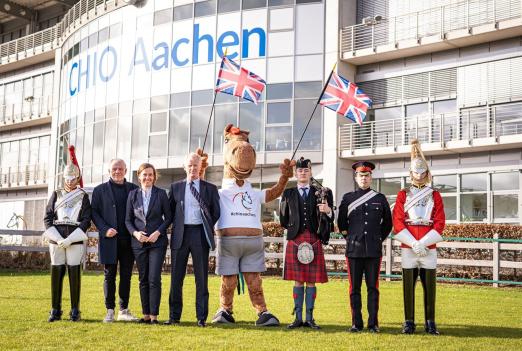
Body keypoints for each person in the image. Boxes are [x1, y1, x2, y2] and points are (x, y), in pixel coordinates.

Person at [392, 140, 445, 335]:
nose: (420, 176)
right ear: (411, 174)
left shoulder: (435, 195)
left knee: (430, 286)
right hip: (409, 247)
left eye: (423, 173)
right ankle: (409, 321)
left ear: (427, 173)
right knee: (408, 287)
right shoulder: (402, 194)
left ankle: (430, 322)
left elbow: (440, 222)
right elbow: (398, 222)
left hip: (428, 247)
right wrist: (414, 243)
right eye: (417, 172)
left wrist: (423, 243)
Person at [165, 152, 220, 327]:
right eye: (189, 165)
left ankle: (201, 317)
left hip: (200, 234)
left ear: (200, 167)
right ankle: (174, 317)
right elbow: (169, 212)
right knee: (176, 278)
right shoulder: (175, 188)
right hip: (180, 234)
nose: (192, 168)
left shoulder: (210, 188)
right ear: (184, 167)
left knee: (201, 278)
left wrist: (207, 223)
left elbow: (216, 211)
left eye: (195, 165)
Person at [337, 161, 392, 333]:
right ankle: (356, 323)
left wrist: (377, 239)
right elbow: (341, 223)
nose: (364, 178)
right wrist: (351, 238)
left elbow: (387, 224)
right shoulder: (347, 198)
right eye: (361, 175)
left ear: (371, 177)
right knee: (354, 289)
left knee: (373, 288)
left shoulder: (380, 198)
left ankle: (373, 323)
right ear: (356, 177)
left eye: (367, 175)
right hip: (354, 250)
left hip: (373, 251)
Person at [279, 157, 334, 330]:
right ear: (295, 173)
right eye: (300, 171)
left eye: (306, 170)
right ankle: (297, 318)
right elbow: (283, 219)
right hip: (296, 238)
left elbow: (329, 218)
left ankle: (310, 318)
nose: (303, 173)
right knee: (298, 281)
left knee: (311, 281)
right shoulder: (288, 193)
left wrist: (329, 211)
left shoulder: (322, 192)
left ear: (311, 172)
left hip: (314, 238)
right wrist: (294, 227)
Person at [43, 145, 91, 322]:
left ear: (77, 178)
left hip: (75, 239)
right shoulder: (56, 194)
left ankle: (75, 310)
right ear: (64, 178)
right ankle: (55, 309)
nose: (70, 181)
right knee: (56, 272)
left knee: (74, 272)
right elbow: (48, 217)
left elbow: (86, 219)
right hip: (56, 240)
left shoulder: (83, 196)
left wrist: (71, 238)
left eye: (73, 178)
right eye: (68, 178)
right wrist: (56, 238)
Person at [91, 159, 139, 323]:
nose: (117, 171)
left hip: (128, 240)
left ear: (126, 171)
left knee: (126, 275)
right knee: (109, 275)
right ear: (109, 171)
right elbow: (94, 213)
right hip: (109, 240)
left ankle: (123, 310)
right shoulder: (99, 190)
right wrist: (105, 229)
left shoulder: (134, 189)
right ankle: (109, 311)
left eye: (120, 169)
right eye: (114, 169)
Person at [125, 163, 172, 324]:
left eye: (150, 175)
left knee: (154, 278)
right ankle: (145, 315)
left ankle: (154, 316)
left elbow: (169, 217)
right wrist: (136, 233)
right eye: (144, 175)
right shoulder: (132, 195)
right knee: (143, 279)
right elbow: (128, 220)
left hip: (157, 243)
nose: (147, 178)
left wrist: (157, 233)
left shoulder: (161, 194)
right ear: (139, 177)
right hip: (138, 243)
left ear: (154, 177)